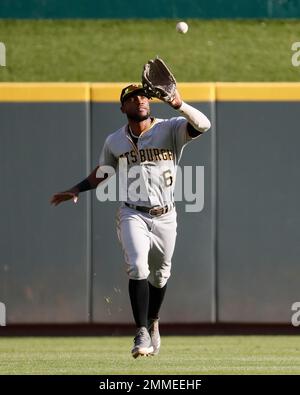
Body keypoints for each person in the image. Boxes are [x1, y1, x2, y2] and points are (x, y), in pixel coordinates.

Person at [50, 83, 211, 358]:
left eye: (145, 96)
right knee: (137, 266)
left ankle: (153, 321)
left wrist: (179, 104)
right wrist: (76, 189)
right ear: (123, 107)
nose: (141, 100)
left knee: (160, 277)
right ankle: (141, 331)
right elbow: (103, 172)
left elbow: (204, 125)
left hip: (165, 215)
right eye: (133, 97)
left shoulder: (169, 127)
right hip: (132, 212)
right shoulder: (115, 140)